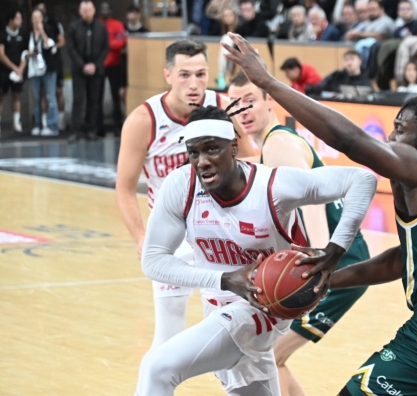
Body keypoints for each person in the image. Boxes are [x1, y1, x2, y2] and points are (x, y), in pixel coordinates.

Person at [222, 32, 417, 396]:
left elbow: (350, 140)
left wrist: (267, 82)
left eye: (400, 129)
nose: (391, 139)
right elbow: (403, 261)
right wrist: (327, 280)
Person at [135, 103, 377, 396]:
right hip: (217, 306)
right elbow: (153, 262)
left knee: (158, 368)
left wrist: (335, 250)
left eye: (212, 149)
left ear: (233, 147)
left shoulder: (272, 186)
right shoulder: (181, 186)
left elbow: (362, 180)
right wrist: (225, 280)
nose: (201, 162)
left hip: (263, 307)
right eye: (194, 152)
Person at [115, 38, 255, 393]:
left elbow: (254, 161)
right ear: (167, 75)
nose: (194, 84)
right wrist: (141, 238)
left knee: (240, 329)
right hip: (174, 239)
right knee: (168, 338)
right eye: (185, 75)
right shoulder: (143, 119)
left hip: (220, 234)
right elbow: (125, 188)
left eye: (201, 74)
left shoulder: (222, 107)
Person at [227, 71, 371, 396]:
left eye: (250, 101)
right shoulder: (272, 145)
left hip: (335, 267)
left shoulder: (279, 144)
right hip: (339, 263)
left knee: (266, 356)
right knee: (268, 356)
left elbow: (313, 208)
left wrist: (319, 267)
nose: (243, 111)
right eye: (235, 105)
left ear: (269, 100)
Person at [67, 0, 109, 141]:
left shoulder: (101, 27)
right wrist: (82, 65)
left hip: (96, 69)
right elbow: (71, 49)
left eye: (89, 10)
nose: (87, 13)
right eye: (84, 10)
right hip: (79, 69)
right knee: (78, 99)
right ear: (80, 12)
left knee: (94, 100)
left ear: (94, 11)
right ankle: (76, 131)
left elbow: (105, 48)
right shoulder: (73, 27)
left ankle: (92, 130)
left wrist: (95, 65)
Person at [27, 8, 60, 136]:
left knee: (50, 97)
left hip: (48, 69)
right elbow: (24, 50)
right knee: (36, 98)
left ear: (42, 19)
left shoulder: (49, 29)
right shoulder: (28, 33)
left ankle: (52, 125)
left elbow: (50, 45)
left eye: (38, 18)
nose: (36, 21)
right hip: (34, 69)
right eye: (34, 18)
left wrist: (42, 32)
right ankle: (37, 125)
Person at [35, 2, 67, 132]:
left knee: (57, 92)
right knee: (42, 94)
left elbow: (61, 41)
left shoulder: (54, 24)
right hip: (39, 64)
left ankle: (60, 120)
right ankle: (44, 122)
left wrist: (54, 46)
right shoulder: (33, 27)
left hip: (54, 62)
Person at [99, 1, 127, 134]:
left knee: (116, 97)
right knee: (96, 98)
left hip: (114, 64)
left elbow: (122, 42)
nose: (104, 11)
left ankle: (118, 126)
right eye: (102, 9)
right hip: (99, 64)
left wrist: (107, 44)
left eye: (106, 9)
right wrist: (110, 44)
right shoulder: (97, 25)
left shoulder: (117, 24)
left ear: (110, 11)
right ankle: (98, 128)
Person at [0, 10, 27, 134]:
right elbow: (1, 54)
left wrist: (20, 68)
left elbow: (26, 53)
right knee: (1, 96)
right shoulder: (3, 34)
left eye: (21, 18)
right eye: (18, 18)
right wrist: (13, 68)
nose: (20, 21)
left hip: (18, 71)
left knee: (16, 96)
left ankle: (16, 122)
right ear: (11, 20)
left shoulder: (23, 34)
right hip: (4, 71)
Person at [305, 50, 372, 96]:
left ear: (360, 61)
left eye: (352, 59)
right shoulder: (336, 76)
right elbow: (320, 88)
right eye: (346, 60)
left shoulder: (366, 77)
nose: (349, 63)